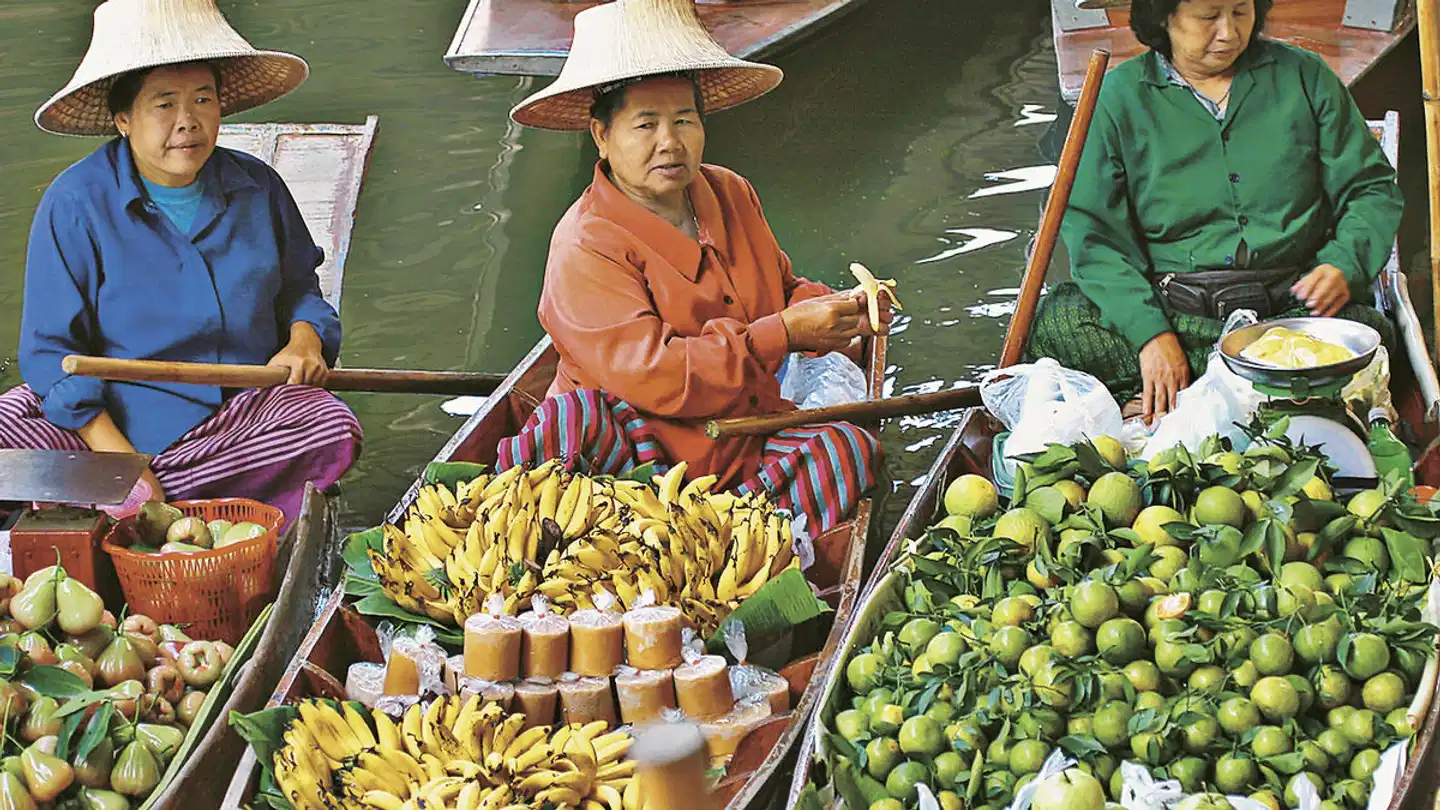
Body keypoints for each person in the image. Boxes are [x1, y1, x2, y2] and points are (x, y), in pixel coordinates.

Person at [499, 0, 892, 533]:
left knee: (847, 448)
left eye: (684, 120)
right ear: (601, 136)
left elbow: (779, 291)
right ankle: (721, 532)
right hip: (633, 451)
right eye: (645, 125)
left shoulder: (729, 191)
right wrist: (777, 335)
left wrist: (837, 311)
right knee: (569, 422)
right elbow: (657, 375)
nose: (670, 142)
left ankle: (717, 534)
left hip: (739, 433)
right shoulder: (585, 244)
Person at [1, 0, 362, 523]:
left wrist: (304, 340)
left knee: (328, 427)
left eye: (202, 99)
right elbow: (50, 351)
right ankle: (178, 498)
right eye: (163, 105)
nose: (187, 122)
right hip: (108, 416)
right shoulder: (76, 201)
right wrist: (119, 461)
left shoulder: (258, 187)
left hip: (237, 412)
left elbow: (300, 290)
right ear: (123, 119)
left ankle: (130, 500)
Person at [1027, 0, 1402, 423]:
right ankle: (1254, 391)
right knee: (1059, 323)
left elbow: (1371, 188)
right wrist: (1152, 335)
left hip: (1286, 312)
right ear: (1164, 18)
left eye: (1242, 12)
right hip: (1176, 313)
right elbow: (1095, 237)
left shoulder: (1304, 75)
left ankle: (1172, 398)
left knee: (1367, 330)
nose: (1228, 32)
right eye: (1208, 17)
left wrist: (1343, 263)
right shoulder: (1118, 97)